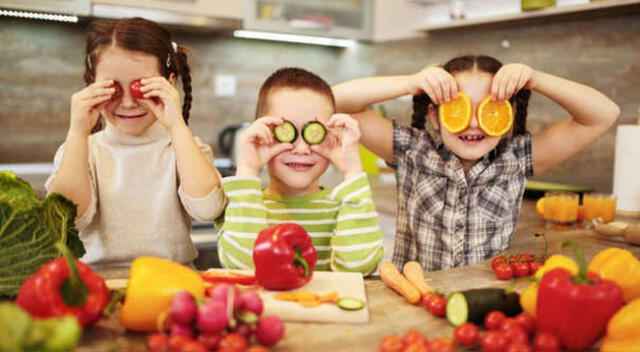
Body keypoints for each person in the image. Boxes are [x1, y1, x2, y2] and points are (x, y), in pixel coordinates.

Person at [332, 55, 620, 271]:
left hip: (485, 299)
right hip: (415, 297)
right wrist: (410, 83)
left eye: (488, 108)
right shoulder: (411, 150)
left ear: (506, 113)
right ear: (435, 115)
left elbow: (604, 114)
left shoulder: (517, 158)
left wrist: (537, 79)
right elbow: (331, 100)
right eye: (459, 108)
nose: (473, 122)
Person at [46, 17, 226, 268]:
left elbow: (207, 209)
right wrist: (78, 130)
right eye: (112, 88)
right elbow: (67, 219)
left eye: (141, 87)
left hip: (173, 284)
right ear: (91, 85)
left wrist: (176, 126)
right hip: (97, 288)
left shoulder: (186, 149)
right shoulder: (78, 152)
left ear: (169, 83)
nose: (128, 103)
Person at [216, 67, 384, 275]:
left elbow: (359, 268)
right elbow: (241, 267)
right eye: (286, 132)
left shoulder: (346, 206)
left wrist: (353, 171)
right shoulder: (243, 203)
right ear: (262, 132)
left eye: (314, 132)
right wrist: (248, 169)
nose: (302, 149)